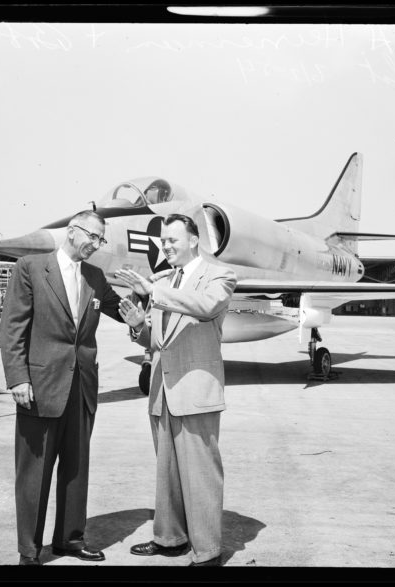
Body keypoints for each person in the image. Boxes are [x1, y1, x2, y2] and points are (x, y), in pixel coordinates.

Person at [0, 210, 124, 566]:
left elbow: (121, 310)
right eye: (93, 237)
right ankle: (29, 549)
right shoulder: (30, 268)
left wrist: (141, 307)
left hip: (81, 385)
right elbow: (13, 327)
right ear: (72, 231)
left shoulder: (96, 277)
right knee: (33, 472)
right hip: (39, 386)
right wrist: (18, 377)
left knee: (76, 466)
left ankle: (69, 539)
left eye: (100, 240)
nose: (95, 245)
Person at [116, 213, 237, 567]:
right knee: (166, 471)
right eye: (162, 242)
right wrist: (139, 326)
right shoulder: (164, 280)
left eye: (172, 240)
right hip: (162, 391)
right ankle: (170, 538)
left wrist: (154, 292)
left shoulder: (219, 275)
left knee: (200, 474)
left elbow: (206, 306)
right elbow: (157, 339)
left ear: (194, 240)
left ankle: (208, 550)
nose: (165, 247)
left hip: (196, 390)